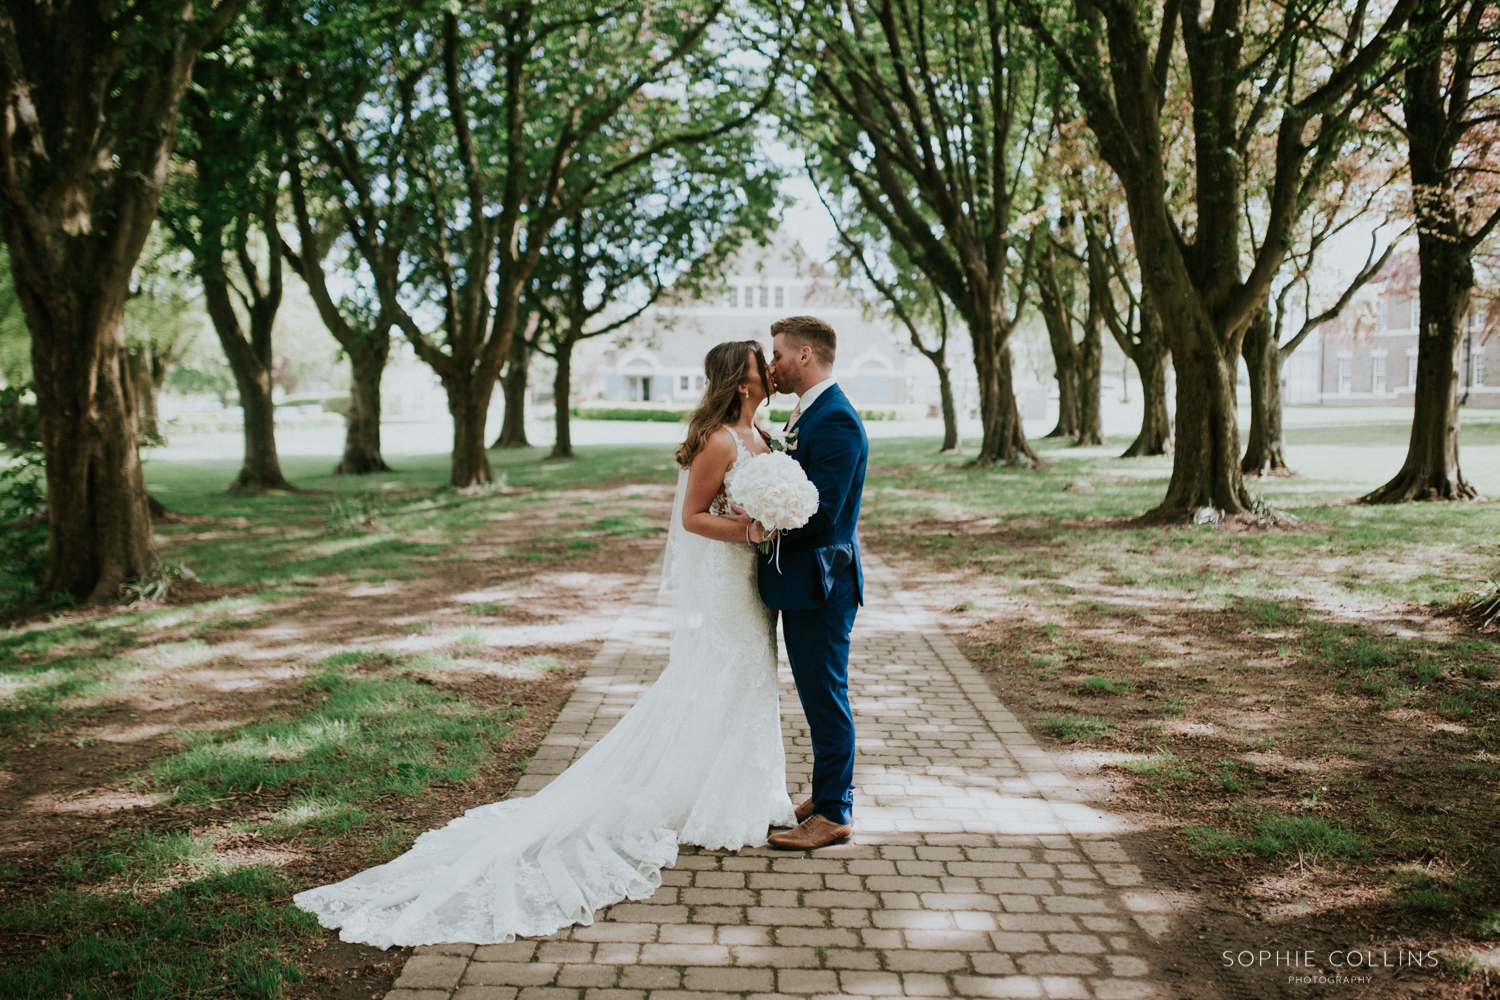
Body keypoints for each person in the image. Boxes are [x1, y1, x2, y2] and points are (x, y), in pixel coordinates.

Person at [292, 341, 795, 947]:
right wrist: (751, 526)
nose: (771, 371)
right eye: (760, 365)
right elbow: (693, 517)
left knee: (749, 676)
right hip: (726, 581)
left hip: (750, 581)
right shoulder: (719, 440)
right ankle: (709, 799)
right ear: (741, 382)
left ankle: (739, 790)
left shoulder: (763, 432)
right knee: (723, 674)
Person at [756, 316, 868, 851]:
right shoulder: (810, 412)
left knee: (826, 695)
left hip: (824, 583)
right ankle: (827, 793)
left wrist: (761, 516)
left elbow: (822, 512)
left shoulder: (837, 420)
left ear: (805, 354)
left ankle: (834, 812)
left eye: (777, 353)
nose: (771, 363)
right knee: (815, 692)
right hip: (804, 579)